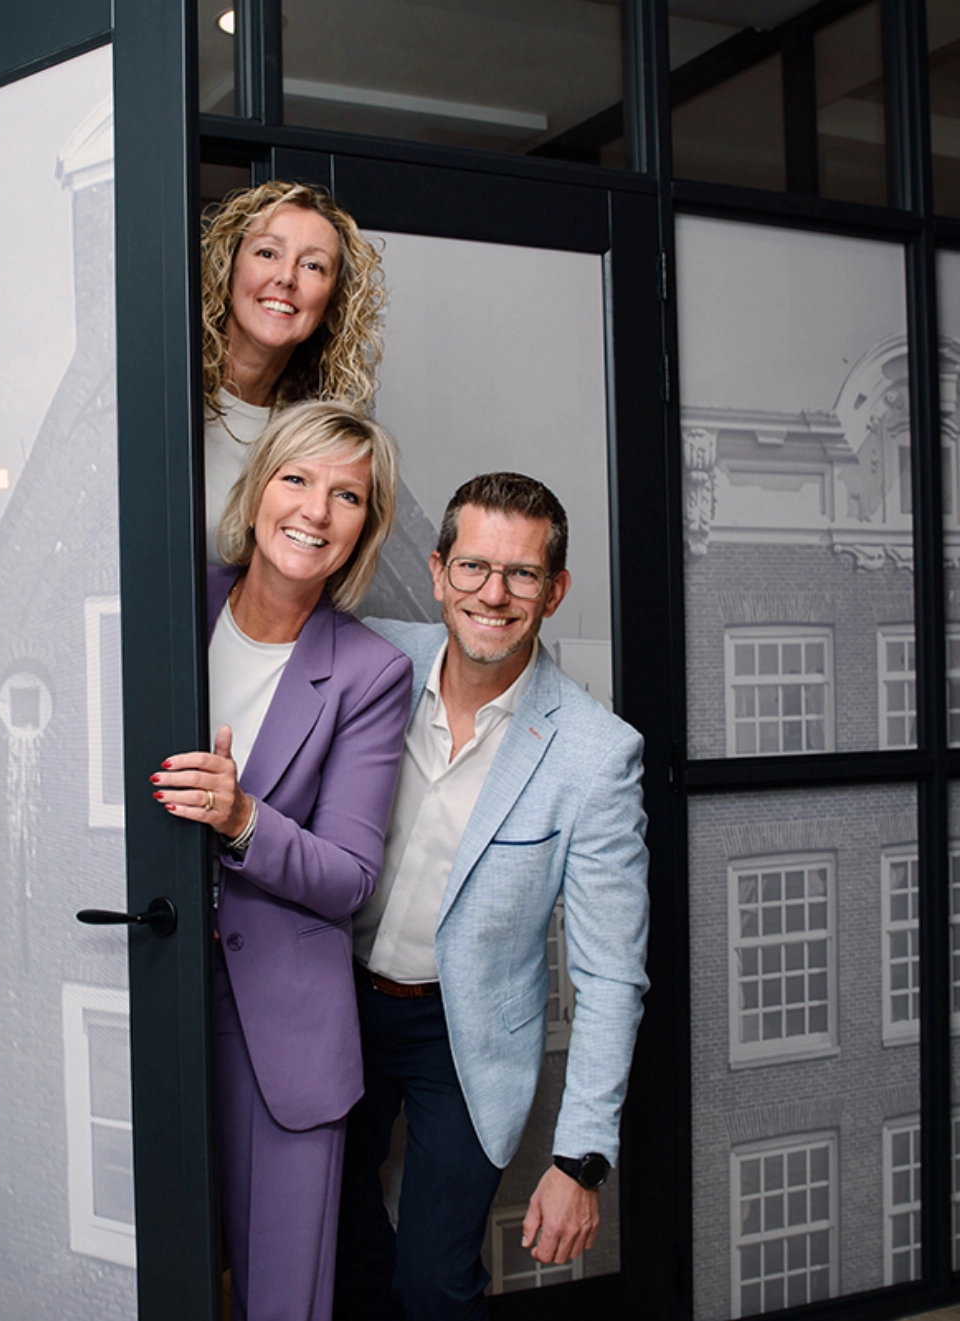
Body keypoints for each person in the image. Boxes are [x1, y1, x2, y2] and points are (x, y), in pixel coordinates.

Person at [335, 473, 650, 1320]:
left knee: (433, 1284)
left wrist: (580, 1160)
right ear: (439, 572)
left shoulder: (596, 754)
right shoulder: (370, 659)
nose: (494, 594)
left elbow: (612, 975)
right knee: (334, 1253)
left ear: (555, 589)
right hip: (336, 1002)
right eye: (474, 566)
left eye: (522, 574)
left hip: (464, 1034)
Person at [154, 401, 415, 1321]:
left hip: (279, 1029)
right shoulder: (167, 597)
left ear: (366, 527)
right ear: (258, 488)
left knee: (282, 1303)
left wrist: (242, 818)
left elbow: (349, 874)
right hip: (144, 988)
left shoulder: (370, 672)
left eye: (348, 495)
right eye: (297, 478)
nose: (315, 509)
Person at [200, 181, 387, 560]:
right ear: (228, 269)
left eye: (313, 266)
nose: (286, 277)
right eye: (267, 253)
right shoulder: (165, 389)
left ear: (332, 302)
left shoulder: (315, 433)